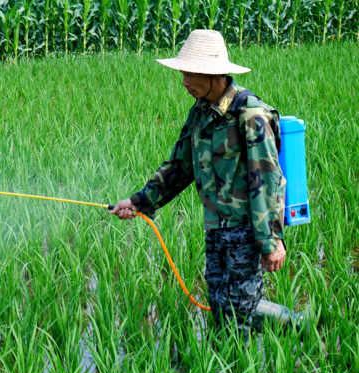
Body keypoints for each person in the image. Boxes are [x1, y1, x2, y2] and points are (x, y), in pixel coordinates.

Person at [111, 30, 286, 337]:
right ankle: (226, 371)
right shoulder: (200, 113)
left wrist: (271, 242)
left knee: (240, 316)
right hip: (215, 231)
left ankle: (259, 365)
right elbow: (179, 166)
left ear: (213, 73)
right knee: (221, 311)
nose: (184, 82)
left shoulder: (250, 115)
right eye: (183, 73)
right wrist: (139, 202)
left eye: (189, 74)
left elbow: (268, 182)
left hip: (245, 233)